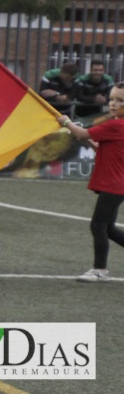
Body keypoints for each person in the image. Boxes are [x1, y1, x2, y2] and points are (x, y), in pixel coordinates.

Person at [57, 85, 124, 282]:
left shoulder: (116, 125)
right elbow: (95, 144)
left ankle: (99, 270)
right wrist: (78, 132)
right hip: (116, 183)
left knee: (98, 225)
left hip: (114, 184)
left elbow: (83, 133)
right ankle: (99, 269)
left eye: (121, 101)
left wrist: (67, 122)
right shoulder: (116, 125)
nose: (114, 104)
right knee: (109, 228)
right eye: (112, 99)